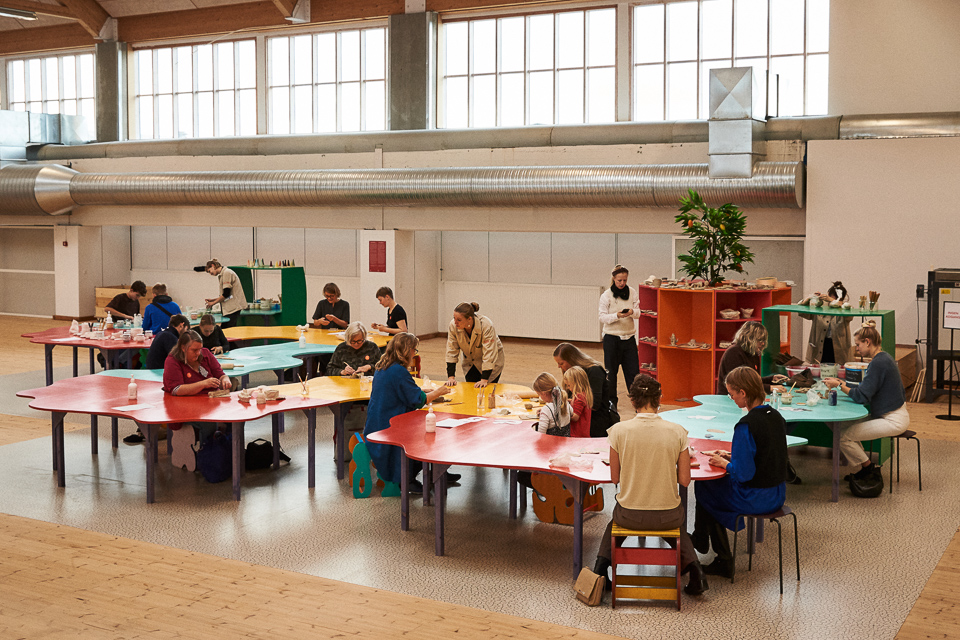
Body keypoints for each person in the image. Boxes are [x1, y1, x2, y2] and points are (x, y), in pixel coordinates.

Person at [592, 374, 708, 597]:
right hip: (667, 515)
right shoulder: (678, 432)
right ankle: (696, 572)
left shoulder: (618, 431)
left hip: (629, 514)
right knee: (675, 525)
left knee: (615, 522)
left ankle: (600, 570)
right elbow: (685, 480)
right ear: (659, 399)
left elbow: (614, 478)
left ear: (632, 400)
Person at [692, 366, 788, 579]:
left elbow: (743, 474)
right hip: (778, 494)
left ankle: (718, 554)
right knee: (713, 491)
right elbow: (765, 455)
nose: (732, 399)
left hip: (757, 498)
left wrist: (724, 463)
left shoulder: (746, 425)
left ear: (743, 393)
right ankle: (702, 540)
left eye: (732, 394)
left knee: (706, 487)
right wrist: (730, 456)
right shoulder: (776, 416)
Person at [363, 333, 452, 494]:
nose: (414, 354)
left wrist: (422, 390)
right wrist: (439, 391)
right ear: (407, 350)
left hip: (376, 423)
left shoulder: (383, 366)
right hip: (390, 426)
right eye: (414, 350)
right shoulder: (399, 371)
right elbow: (418, 400)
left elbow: (402, 390)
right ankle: (410, 478)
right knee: (428, 435)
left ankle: (437, 472)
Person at [823, 321, 910, 483]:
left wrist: (839, 386)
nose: (856, 348)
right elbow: (864, 389)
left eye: (858, 344)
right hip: (888, 414)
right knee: (841, 427)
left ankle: (869, 468)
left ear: (867, 342)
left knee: (843, 437)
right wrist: (841, 383)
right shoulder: (883, 358)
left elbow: (861, 396)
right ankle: (866, 468)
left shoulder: (878, 363)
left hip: (893, 420)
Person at [122, 314, 190, 445]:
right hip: (159, 375)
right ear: (181, 325)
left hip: (152, 373)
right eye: (186, 330)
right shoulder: (170, 337)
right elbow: (180, 358)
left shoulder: (163, 333)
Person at [162, 330, 232, 441]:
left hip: (210, 402)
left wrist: (225, 379)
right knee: (208, 423)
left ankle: (229, 447)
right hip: (187, 408)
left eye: (200, 349)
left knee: (233, 417)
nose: (198, 353)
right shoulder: (172, 361)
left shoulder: (205, 354)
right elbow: (177, 389)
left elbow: (220, 374)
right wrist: (204, 384)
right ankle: (207, 449)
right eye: (194, 350)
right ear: (183, 348)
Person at [599, 264, 640, 404]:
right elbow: (602, 317)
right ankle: (612, 404)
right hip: (611, 339)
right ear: (614, 279)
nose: (622, 283)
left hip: (629, 338)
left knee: (633, 373)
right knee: (611, 374)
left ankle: (638, 402)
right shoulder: (606, 295)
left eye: (624, 280)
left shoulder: (632, 292)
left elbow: (638, 313)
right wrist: (616, 315)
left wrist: (632, 312)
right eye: (619, 280)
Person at [553, 343, 614, 438]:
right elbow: (570, 398)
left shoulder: (595, 371)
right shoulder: (572, 373)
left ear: (571, 359)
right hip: (581, 419)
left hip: (593, 423)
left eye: (561, 363)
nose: (559, 367)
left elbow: (594, 404)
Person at [715, 322, 788, 395]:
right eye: (760, 340)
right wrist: (770, 388)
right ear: (749, 339)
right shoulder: (734, 352)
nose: (763, 343)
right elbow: (740, 384)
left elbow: (752, 381)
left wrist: (772, 379)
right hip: (729, 398)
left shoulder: (752, 353)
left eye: (763, 340)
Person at [445, 302, 505, 389]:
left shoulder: (486, 325)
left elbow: (489, 354)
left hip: (492, 362)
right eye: (454, 318)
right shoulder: (453, 325)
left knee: (486, 390)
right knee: (471, 390)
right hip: (470, 362)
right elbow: (451, 350)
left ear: (469, 319)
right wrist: (451, 378)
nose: (455, 322)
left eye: (459, 320)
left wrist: (484, 379)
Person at [801, 280, 853, 364]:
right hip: (820, 346)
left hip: (839, 349)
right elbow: (802, 312)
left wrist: (833, 301)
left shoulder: (845, 308)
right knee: (818, 369)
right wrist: (809, 298)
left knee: (838, 369)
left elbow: (850, 315)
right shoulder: (820, 307)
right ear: (828, 294)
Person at [204, 259, 247, 329]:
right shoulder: (222, 274)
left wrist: (213, 303)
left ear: (213, 265)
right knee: (223, 330)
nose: (210, 274)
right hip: (230, 309)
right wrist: (213, 300)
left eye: (209, 271)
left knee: (228, 331)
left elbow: (226, 294)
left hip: (233, 309)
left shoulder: (227, 273)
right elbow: (229, 296)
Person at [562, 365, 593, 438]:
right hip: (583, 434)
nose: (568, 388)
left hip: (576, 435)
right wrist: (569, 401)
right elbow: (577, 404)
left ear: (576, 383)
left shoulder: (579, 397)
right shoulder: (584, 394)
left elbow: (575, 417)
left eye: (569, 385)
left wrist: (562, 412)